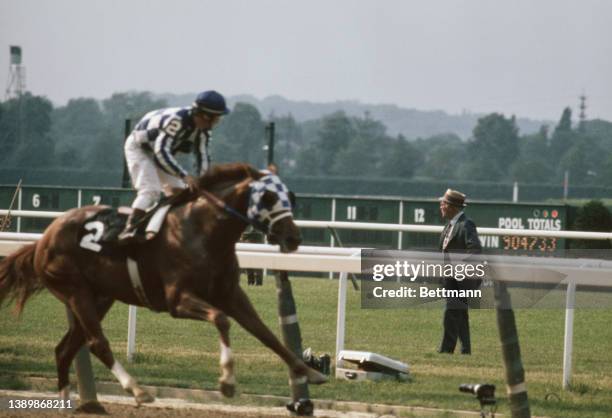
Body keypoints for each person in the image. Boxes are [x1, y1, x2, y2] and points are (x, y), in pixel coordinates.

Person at [118, 90, 230, 240]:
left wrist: (205, 182)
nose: (217, 122)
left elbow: (203, 157)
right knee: (151, 190)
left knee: (179, 192)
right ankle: (130, 229)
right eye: (217, 118)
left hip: (159, 153)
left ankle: (161, 229)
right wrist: (185, 176)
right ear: (206, 116)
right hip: (140, 148)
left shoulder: (203, 131)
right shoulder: (177, 121)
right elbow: (161, 152)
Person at [437, 189, 482, 355]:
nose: (440, 206)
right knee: (460, 315)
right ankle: (466, 350)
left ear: (452, 206)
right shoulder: (450, 225)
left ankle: (446, 350)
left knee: (451, 313)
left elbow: (475, 250)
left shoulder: (466, 224)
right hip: (451, 279)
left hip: (462, 279)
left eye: (443, 203)